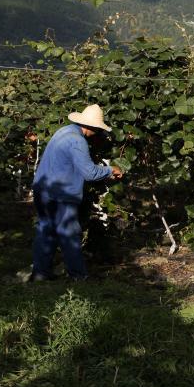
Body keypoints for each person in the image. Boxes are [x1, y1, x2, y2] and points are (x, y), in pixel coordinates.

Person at [30, 104, 123, 281]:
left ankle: (41, 273)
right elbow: (89, 173)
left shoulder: (63, 132)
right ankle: (78, 276)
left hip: (42, 189)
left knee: (46, 230)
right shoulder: (78, 141)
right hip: (61, 194)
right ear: (93, 127)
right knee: (69, 233)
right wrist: (111, 170)